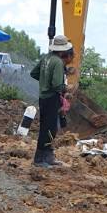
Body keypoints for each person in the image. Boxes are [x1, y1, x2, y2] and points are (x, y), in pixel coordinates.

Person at [34, 35, 73, 168]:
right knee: (50, 129)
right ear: (63, 50)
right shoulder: (58, 62)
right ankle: (40, 159)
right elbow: (57, 85)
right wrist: (67, 88)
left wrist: (44, 81)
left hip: (43, 97)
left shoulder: (45, 58)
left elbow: (34, 73)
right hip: (52, 98)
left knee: (46, 127)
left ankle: (48, 157)